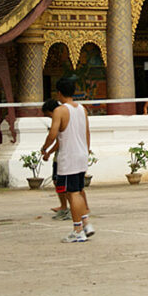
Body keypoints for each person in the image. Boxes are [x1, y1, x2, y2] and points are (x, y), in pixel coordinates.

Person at [41, 76, 94, 242]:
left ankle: (78, 229)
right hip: (81, 153)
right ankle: (85, 223)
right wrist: (86, 150)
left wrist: (44, 148)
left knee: (73, 193)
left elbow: (53, 134)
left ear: (59, 93)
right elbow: (87, 132)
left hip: (69, 155)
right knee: (77, 190)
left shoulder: (60, 110)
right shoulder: (81, 109)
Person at [41, 99, 90, 221]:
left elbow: (56, 139)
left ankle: (78, 214)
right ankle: (80, 214)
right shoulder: (81, 110)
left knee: (71, 190)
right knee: (69, 187)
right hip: (77, 156)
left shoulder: (61, 114)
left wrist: (46, 149)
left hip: (66, 157)